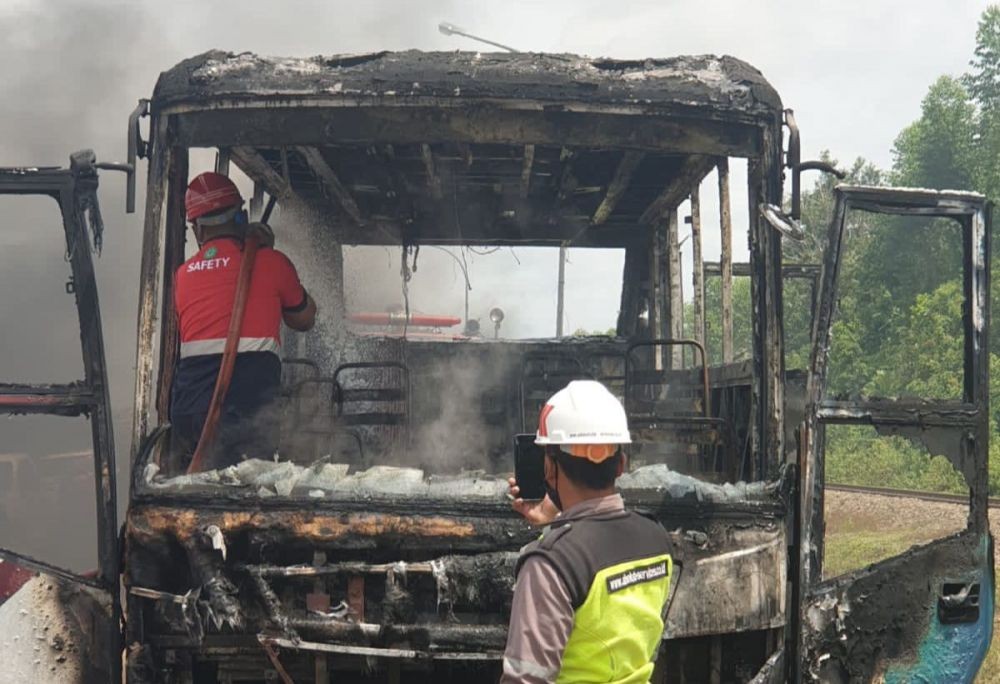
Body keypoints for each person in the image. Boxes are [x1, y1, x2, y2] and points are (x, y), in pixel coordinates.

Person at [502, 380, 674, 684]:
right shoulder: (656, 538)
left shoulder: (550, 565)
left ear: (549, 469)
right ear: (621, 464)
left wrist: (559, 530)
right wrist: (556, 518)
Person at [170, 171, 316, 470]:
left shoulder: (182, 276)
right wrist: (268, 256)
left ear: (197, 230)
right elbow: (305, 319)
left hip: (190, 424)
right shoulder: (273, 263)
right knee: (244, 497)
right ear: (242, 218)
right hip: (248, 419)